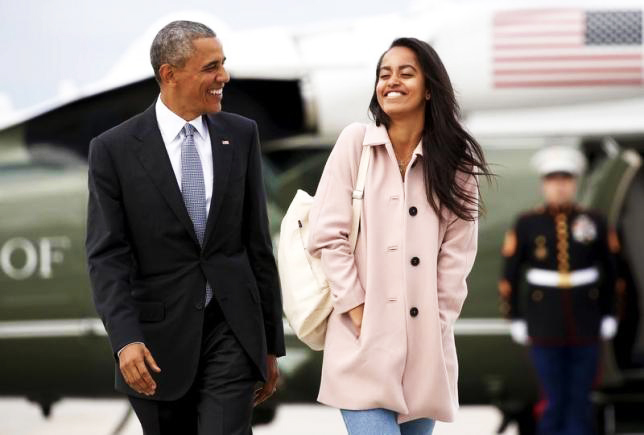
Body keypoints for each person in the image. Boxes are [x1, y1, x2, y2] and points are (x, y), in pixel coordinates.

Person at [85, 21, 284, 435]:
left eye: (223, 64)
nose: (224, 77)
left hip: (233, 330)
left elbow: (256, 244)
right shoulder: (113, 150)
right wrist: (124, 340)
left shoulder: (241, 135)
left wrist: (270, 345)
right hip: (155, 344)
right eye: (211, 67)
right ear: (169, 74)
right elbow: (107, 256)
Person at [307, 37, 491, 434]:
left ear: (429, 88)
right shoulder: (355, 143)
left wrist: (438, 321)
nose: (391, 81)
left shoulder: (456, 163)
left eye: (406, 73)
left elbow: (458, 255)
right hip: (360, 345)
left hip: (425, 352)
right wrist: (357, 311)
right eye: (383, 74)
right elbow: (327, 235)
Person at [499, 145, 619, 435]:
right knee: (553, 398)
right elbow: (510, 274)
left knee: (580, 398)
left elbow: (614, 270)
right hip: (544, 322)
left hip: (586, 320)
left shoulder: (594, 221)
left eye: (566, 179)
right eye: (553, 180)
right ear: (544, 184)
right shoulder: (528, 223)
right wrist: (514, 315)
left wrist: (610, 312)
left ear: (574, 183)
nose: (560, 186)